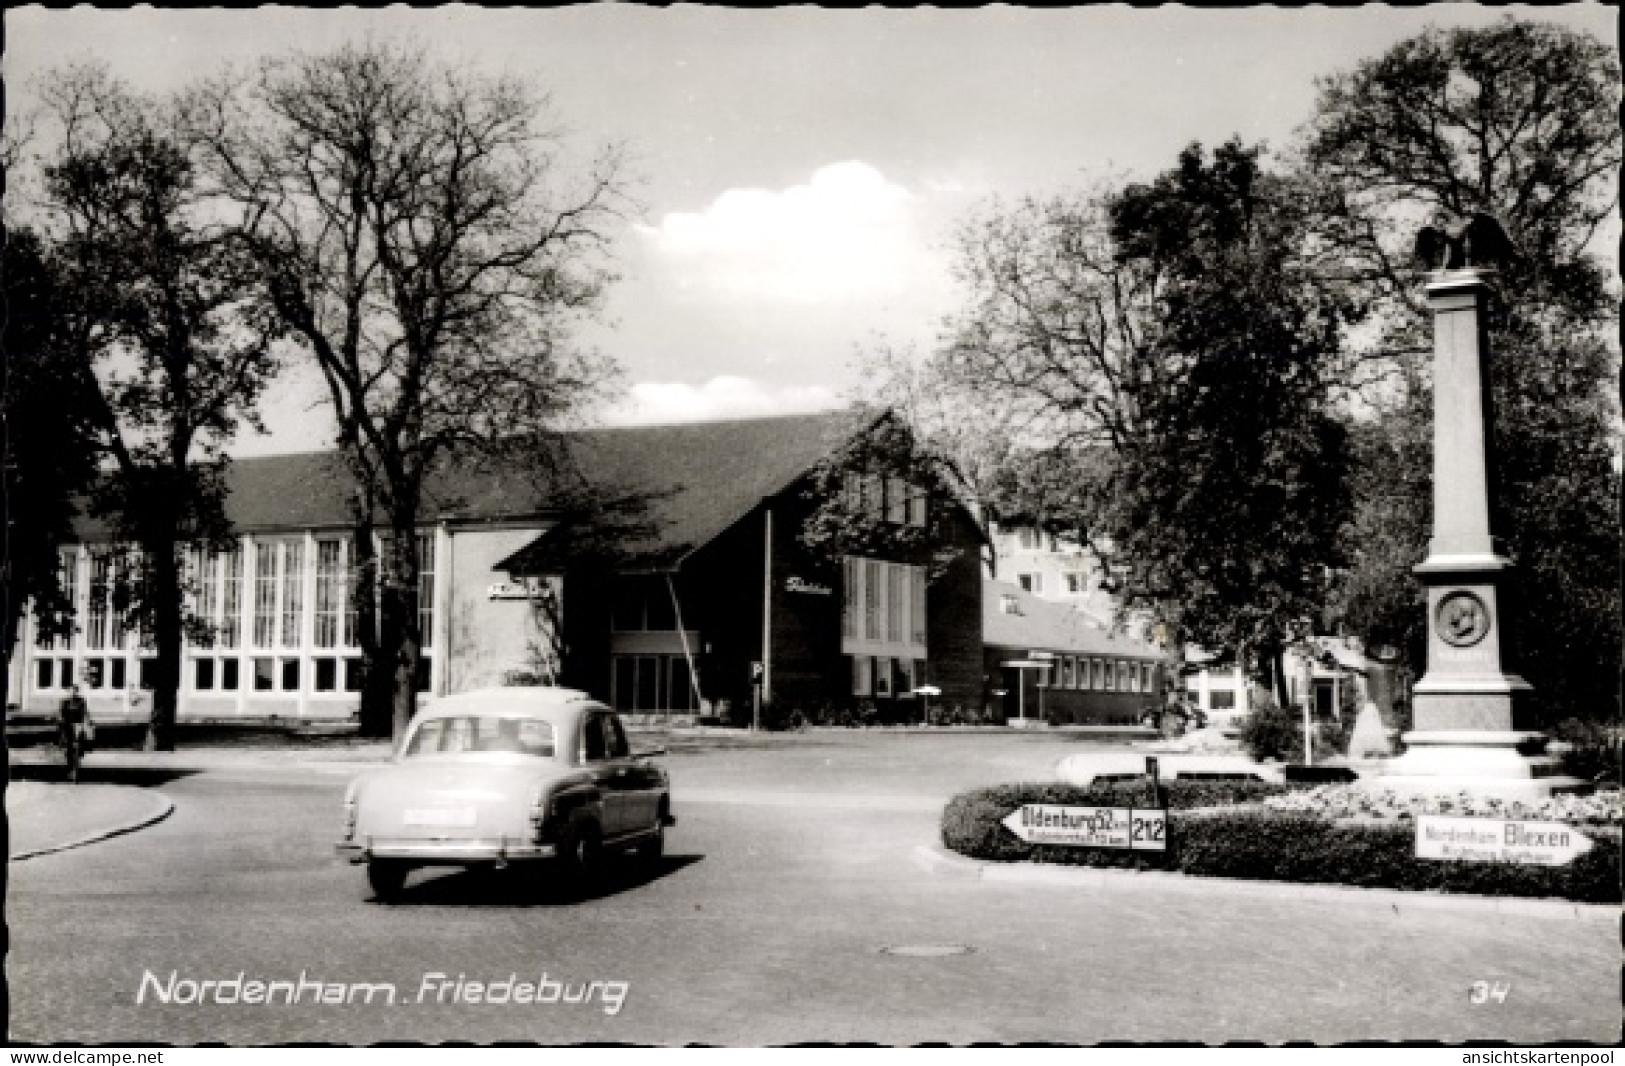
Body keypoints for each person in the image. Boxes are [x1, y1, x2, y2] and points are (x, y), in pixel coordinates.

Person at [59, 684, 92, 755]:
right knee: (67, 732)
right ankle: (68, 747)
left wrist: (84, 722)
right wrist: (62, 720)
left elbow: (84, 712)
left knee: (80, 733)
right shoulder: (65, 701)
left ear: (77, 692)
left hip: (78, 722)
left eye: (75, 691)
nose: (73, 693)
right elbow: (62, 712)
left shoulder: (81, 701)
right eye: (71, 691)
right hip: (68, 723)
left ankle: (80, 749)